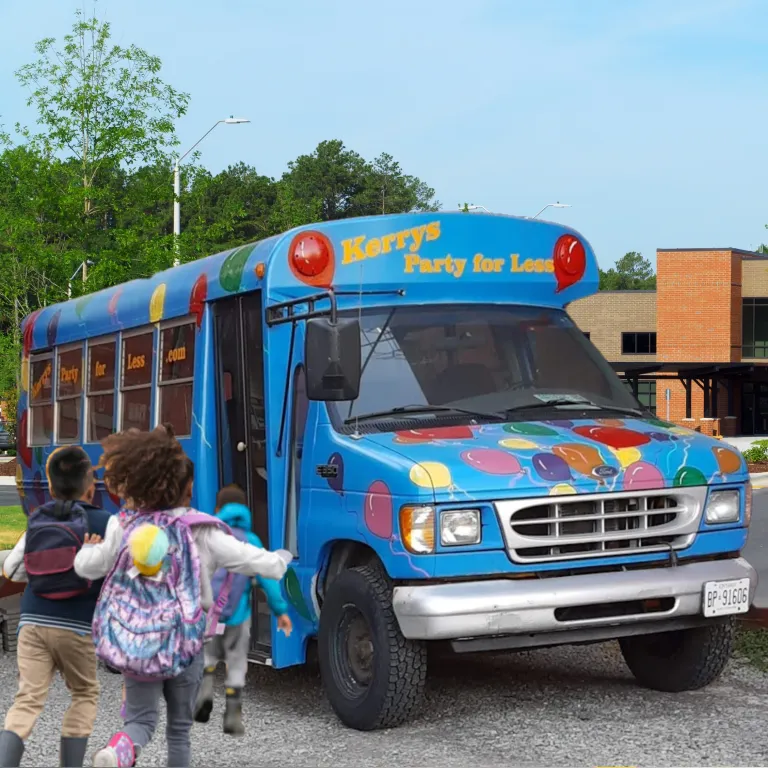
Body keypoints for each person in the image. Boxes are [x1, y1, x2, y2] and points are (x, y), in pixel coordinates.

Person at [73, 427, 289, 768]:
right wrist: (281, 560)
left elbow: (91, 567)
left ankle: (118, 751)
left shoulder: (123, 524)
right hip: (185, 644)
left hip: (136, 641)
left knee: (140, 721)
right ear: (184, 487)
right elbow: (249, 558)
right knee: (178, 729)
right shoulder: (200, 529)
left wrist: (84, 552)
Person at [0, 446, 110, 768]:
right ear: (91, 484)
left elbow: (13, 569)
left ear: (49, 486)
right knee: (84, 693)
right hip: (76, 625)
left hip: (31, 622)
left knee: (28, 698)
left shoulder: (38, 520)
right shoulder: (105, 522)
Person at [194, 484, 292, 735]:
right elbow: (268, 581)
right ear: (245, 510)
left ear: (217, 509)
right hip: (239, 615)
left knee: (208, 657)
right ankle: (233, 713)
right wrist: (280, 611)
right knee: (235, 662)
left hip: (210, 615)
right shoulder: (252, 540)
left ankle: (203, 694)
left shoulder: (209, 537)